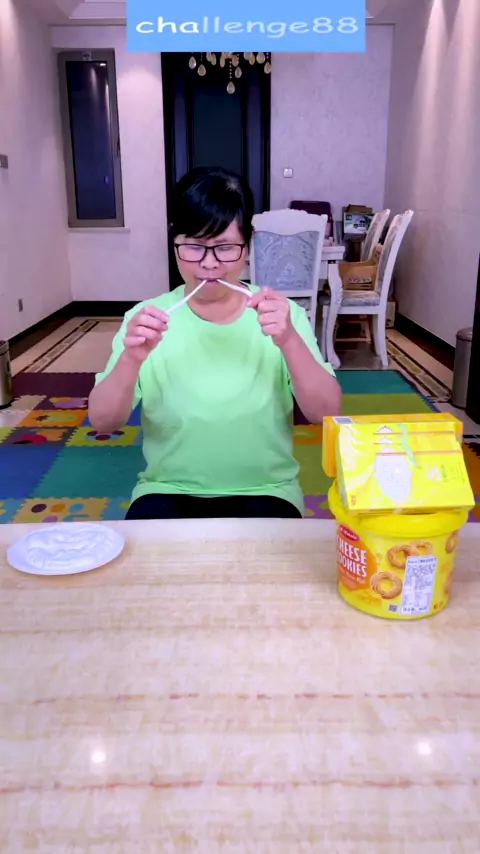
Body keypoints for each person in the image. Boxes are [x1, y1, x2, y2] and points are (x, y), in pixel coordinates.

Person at [89, 166, 341, 519]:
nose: (209, 264)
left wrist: (289, 341)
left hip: (267, 490)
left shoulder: (283, 317)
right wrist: (131, 359)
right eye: (194, 246)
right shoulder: (145, 319)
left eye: (224, 247)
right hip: (167, 489)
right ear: (174, 242)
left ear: (247, 246)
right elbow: (102, 422)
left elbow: (327, 413)